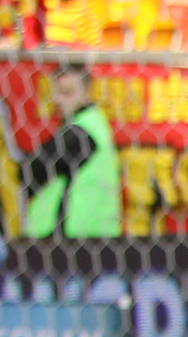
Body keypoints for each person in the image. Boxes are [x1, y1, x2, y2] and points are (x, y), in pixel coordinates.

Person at [24, 65, 121, 238]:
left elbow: (33, 169)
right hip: (90, 231)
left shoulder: (82, 132)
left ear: (87, 93)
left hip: (79, 234)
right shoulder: (92, 125)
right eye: (55, 92)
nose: (58, 99)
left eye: (67, 92)